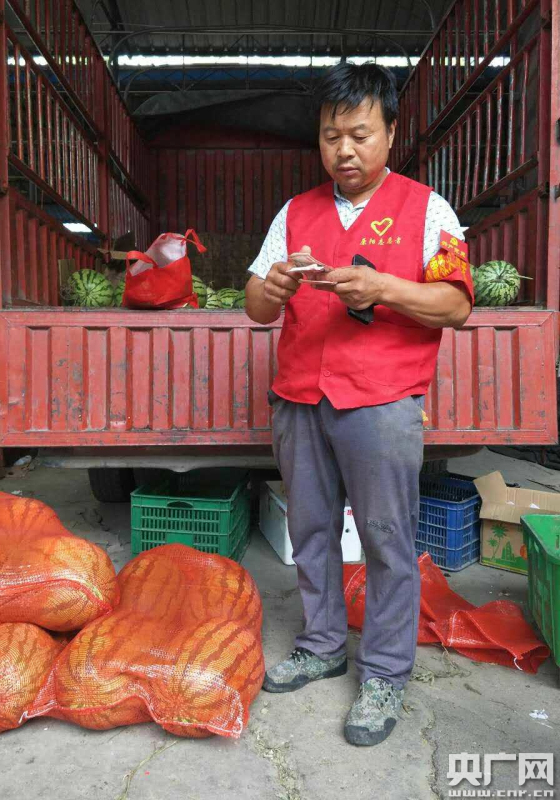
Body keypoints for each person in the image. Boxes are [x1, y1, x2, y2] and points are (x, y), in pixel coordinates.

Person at [244, 62, 473, 747]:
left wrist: (384, 290)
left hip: (381, 401)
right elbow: (255, 307)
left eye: (360, 134)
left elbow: (455, 305)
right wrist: (273, 288)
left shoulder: (429, 210)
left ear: (391, 133)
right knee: (311, 531)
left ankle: (384, 673)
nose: (344, 150)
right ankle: (321, 645)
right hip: (300, 398)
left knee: (385, 538)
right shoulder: (294, 213)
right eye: (330, 136)